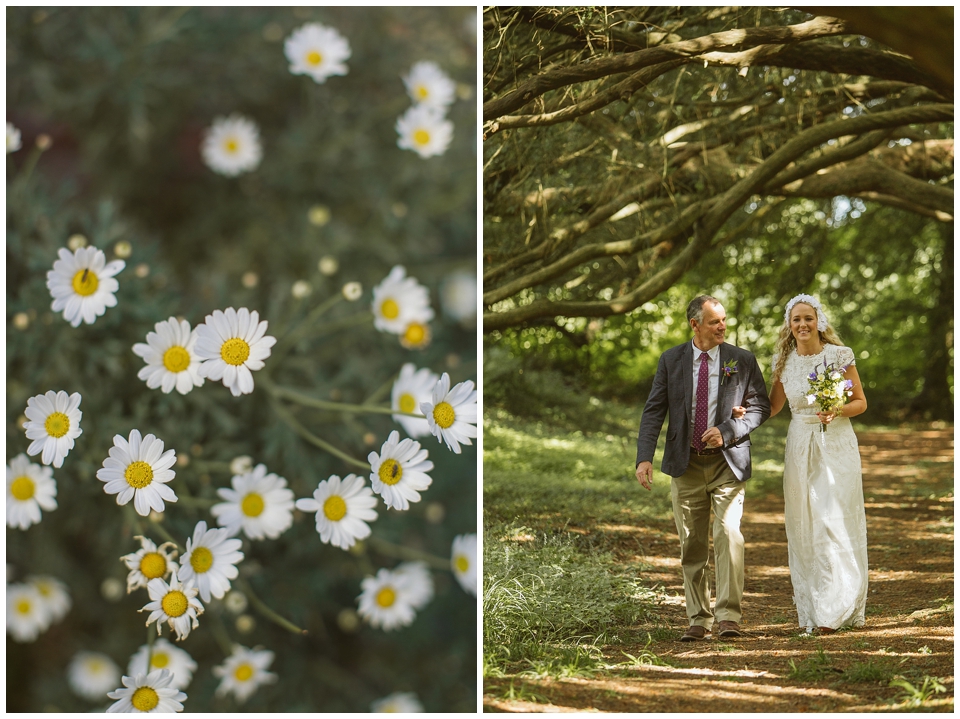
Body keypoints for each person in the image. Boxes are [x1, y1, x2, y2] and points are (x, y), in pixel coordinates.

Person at [635, 295, 771, 641]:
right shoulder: (672, 360)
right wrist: (644, 456)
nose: (722, 326)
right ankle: (698, 617)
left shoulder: (742, 360)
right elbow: (654, 410)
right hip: (686, 464)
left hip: (728, 463)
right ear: (695, 324)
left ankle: (728, 616)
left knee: (728, 535)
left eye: (723, 320)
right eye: (714, 322)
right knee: (692, 543)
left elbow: (760, 408)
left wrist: (728, 431)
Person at [767, 293, 868, 635]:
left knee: (834, 519)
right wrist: (735, 414)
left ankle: (839, 606)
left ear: (819, 321)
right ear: (789, 326)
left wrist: (837, 409)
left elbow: (860, 402)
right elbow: (773, 407)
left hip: (836, 443)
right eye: (796, 319)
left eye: (808, 318)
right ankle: (816, 605)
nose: (802, 324)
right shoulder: (783, 362)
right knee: (806, 522)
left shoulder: (839, 356)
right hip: (799, 445)